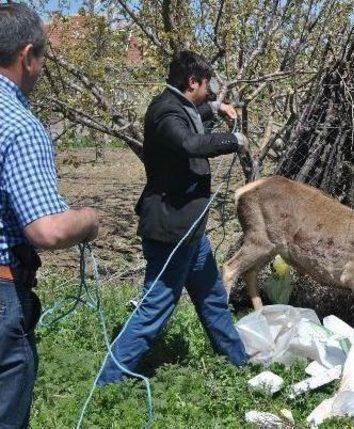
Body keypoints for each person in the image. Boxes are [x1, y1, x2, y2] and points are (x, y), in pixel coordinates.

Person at [97, 50, 249, 384]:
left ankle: (239, 363)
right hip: (171, 230)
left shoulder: (176, 104)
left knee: (211, 299)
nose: (209, 93)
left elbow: (191, 114)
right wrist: (232, 140)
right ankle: (108, 382)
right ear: (193, 81)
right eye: (206, 87)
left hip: (189, 231)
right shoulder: (165, 112)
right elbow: (189, 141)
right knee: (156, 308)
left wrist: (213, 108)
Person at [0, 4, 100, 427]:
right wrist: (88, 219)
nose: (42, 69)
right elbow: (48, 230)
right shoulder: (20, 126)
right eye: (42, 58)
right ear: (27, 56)